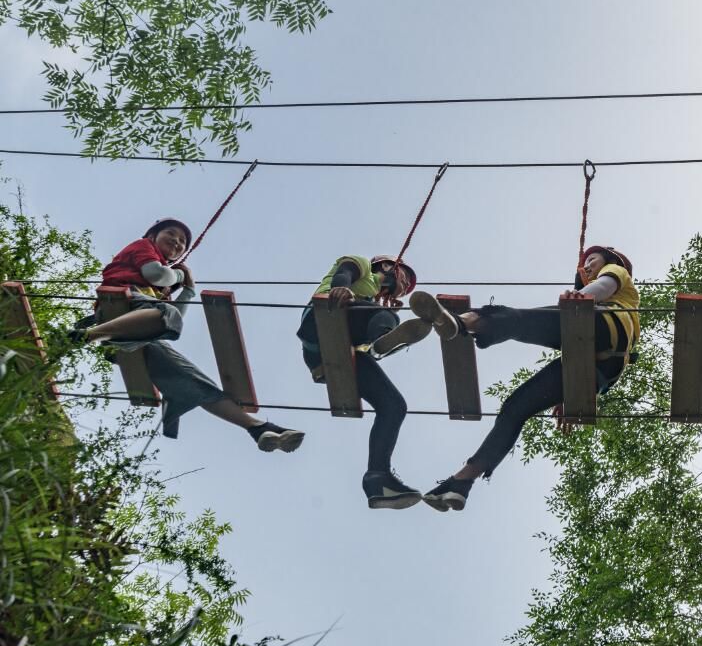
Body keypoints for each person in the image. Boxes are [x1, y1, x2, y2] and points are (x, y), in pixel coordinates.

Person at [420, 246, 639, 512]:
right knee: (515, 408)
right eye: (586, 261)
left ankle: (462, 322)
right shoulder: (597, 292)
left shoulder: (617, 274)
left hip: (603, 327)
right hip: (601, 369)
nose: (589, 264)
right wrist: (571, 390)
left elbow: (603, 286)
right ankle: (463, 481)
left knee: (516, 319)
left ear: (610, 261)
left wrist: (579, 295)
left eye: (593, 259)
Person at [80, 218, 304, 450]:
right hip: (117, 307)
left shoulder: (159, 293)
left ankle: (256, 428)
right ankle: (90, 334)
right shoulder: (144, 246)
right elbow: (155, 275)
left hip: (137, 335)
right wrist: (178, 275)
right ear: (153, 235)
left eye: (182, 242)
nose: (177, 241)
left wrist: (188, 289)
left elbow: (174, 319)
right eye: (171, 234)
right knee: (166, 314)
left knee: (194, 381)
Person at [297, 254, 456, 509]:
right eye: (405, 280)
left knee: (394, 406)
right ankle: (383, 341)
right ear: (387, 267)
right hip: (323, 319)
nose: (404, 288)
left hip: (341, 350)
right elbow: (344, 271)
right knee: (385, 316)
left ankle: (378, 479)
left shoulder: (371, 301)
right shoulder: (362, 267)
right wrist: (342, 288)